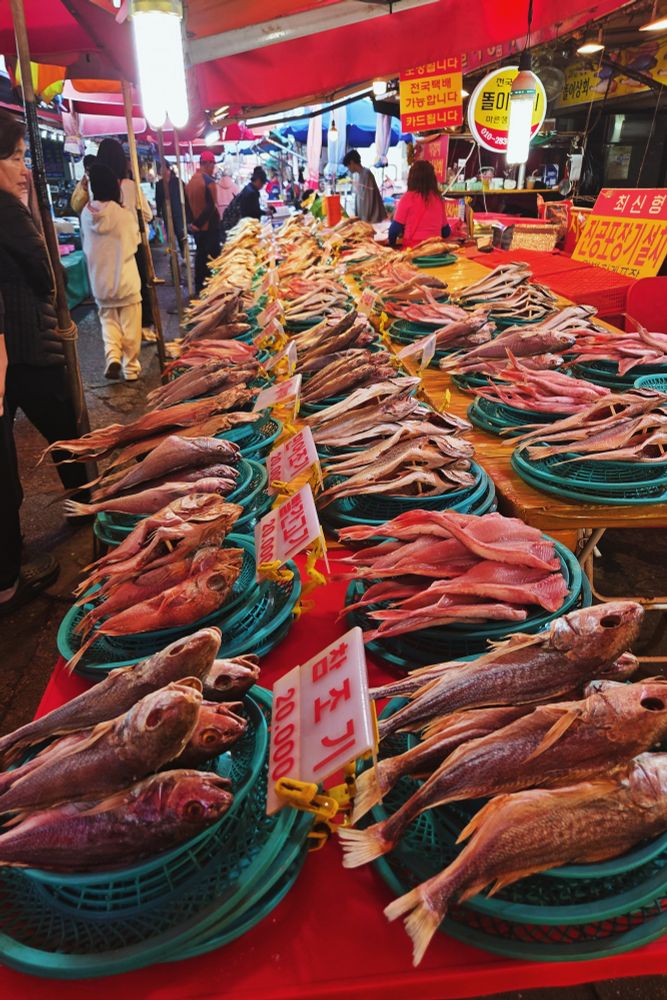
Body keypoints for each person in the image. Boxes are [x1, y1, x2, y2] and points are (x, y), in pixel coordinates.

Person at [0, 110, 88, 615]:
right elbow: (44, 273)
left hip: (14, 350)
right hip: (28, 348)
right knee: (67, 429)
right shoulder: (8, 212)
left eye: (24, 157)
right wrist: (28, 206)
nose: (24, 168)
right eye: (14, 158)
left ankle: (10, 562)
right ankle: (85, 505)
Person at [80, 163, 142, 382]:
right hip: (125, 279)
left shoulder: (85, 216)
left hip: (101, 282)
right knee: (131, 326)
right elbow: (135, 242)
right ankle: (131, 368)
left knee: (109, 322)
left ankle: (113, 356)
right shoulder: (123, 215)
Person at [96, 137, 155, 340]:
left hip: (106, 250)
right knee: (138, 287)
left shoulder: (96, 191)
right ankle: (143, 327)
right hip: (132, 247)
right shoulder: (130, 186)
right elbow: (147, 214)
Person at [388, 160, 452, 250]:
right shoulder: (438, 199)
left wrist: (392, 247)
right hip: (436, 252)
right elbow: (446, 232)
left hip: (413, 252)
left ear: (411, 178)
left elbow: (394, 230)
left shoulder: (407, 198)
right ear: (432, 179)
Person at [186, 150, 220, 294]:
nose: (213, 167)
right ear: (206, 164)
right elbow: (211, 206)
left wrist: (192, 224)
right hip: (209, 228)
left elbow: (187, 205)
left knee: (200, 258)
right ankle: (210, 290)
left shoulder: (191, 181)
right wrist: (199, 223)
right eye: (212, 164)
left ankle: (199, 287)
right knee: (210, 261)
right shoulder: (209, 182)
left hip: (197, 230)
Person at [342, 149, 386, 223]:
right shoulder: (360, 175)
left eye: (348, 166)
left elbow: (368, 200)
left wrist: (364, 222)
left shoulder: (366, 174)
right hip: (367, 220)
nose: (348, 169)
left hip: (372, 220)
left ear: (352, 163)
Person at [156, 162, 187, 257]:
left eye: (165, 169)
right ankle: (173, 255)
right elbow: (158, 199)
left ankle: (184, 253)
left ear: (169, 170)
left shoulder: (178, 181)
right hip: (166, 212)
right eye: (161, 169)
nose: (164, 171)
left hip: (178, 210)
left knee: (180, 233)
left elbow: (185, 195)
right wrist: (158, 212)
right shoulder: (159, 184)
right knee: (170, 234)